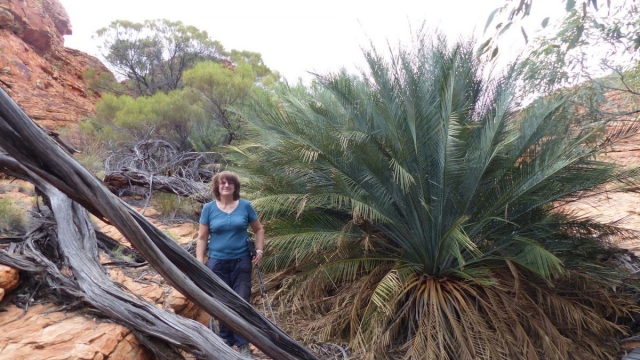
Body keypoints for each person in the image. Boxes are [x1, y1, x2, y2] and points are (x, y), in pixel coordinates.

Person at [196, 170, 264, 358]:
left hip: (241, 262)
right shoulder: (208, 208)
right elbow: (202, 238)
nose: (226, 186)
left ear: (235, 187)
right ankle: (225, 341)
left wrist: (259, 250)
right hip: (216, 262)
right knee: (221, 301)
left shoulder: (245, 206)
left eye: (230, 183)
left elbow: (259, 230)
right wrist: (199, 262)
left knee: (241, 302)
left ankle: (243, 343)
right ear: (217, 187)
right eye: (223, 183)